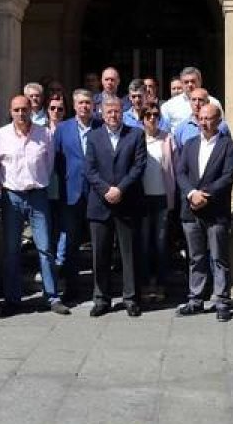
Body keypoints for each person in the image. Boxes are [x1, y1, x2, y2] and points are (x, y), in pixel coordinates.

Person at [0, 94, 67, 316]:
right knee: (11, 249)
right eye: (16, 110)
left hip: (37, 195)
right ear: (10, 112)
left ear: (31, 111)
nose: (21, 114)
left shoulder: (44, 134)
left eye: (24, 109)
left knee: (45, 248)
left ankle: (52, 296)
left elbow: (49, 163)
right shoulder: (0, 136)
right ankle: (12, 298)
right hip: (12, 196)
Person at [174, 103, 233, 321]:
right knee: (196, 257)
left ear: (218, 120)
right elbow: (181, 173)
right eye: (200, 118)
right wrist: (192, 193)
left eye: (208, 118)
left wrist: (205, 195)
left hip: (215, 211)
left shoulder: (228, 146)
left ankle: (222, 301)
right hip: (191, 210)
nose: (204, 122)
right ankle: (196, 299)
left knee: (219, 257)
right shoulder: (190, 144)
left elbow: (228, 177)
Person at [84, 95, 147, 317]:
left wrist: (120, 189)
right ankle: (101, 299)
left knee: (129, 254)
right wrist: (106, 190)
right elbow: (89, 169)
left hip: (127, 201)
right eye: (109, 111)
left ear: (123, 112)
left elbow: (139, 166)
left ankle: (131, 298)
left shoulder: (136, 134)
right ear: (101, 113)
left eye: (117, 111)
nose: (113, 115)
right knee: (100, 254)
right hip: (100, 203)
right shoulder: (93, 137)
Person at [52, 89, 100, 302]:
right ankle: (72, 288)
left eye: (88, 102)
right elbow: (56, 160)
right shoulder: (63, 129)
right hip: (71, 194)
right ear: (74, 106)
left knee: (99, 243)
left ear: (93, 105)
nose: (84, 106)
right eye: (80, 103)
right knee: (71, 244)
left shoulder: (101, 126)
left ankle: (100, 289)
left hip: (97, 193)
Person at [137, 103, 175, 302]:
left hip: (162, 197)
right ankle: (144, 284)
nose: (152, 118)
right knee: (143, 244)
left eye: (155, 115)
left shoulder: (168, 138)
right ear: (142, 118)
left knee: (160, 243)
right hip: (142, 198)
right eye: (148, 115)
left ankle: (160, 284)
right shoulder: (136, 137)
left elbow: (175, 165)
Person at [161, 67, 221, 133]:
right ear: (182, 84)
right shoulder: (169, 105)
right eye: (186, 82)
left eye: (193, 81)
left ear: (200, 82)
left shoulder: (214, 103)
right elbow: (164, 132)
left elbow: (222, 128)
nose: (190, 85)